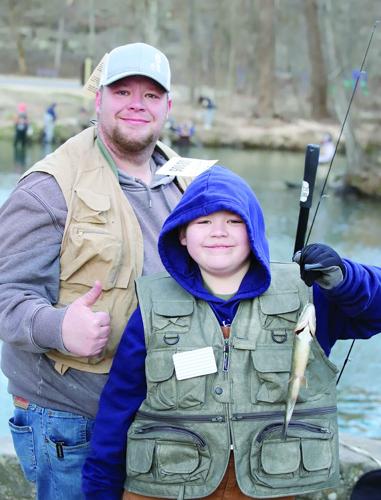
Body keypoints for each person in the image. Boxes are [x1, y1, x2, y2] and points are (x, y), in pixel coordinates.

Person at [82, 165, 381, 499]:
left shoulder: (307, 296)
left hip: (268, 488)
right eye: (203, 221)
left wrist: (346, 279)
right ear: (182, 234)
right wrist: (100, 489)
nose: (218, 232)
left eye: (234, 221)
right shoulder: (150, 307)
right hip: (162, 488)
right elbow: (118, 406)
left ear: (254, 231)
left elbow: (374, 312)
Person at [0, 42, 191, 500]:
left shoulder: (184, 182)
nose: (135, 105)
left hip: (157, 412)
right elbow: (7, 296)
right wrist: (59, 326)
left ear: (168, 106)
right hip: (69, 417)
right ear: (98, 98)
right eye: (122, 91)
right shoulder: (49, 186)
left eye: (150, 95)